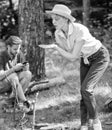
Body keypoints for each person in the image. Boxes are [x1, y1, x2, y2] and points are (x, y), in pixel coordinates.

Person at [39, 4, 110, 130]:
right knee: (83, 92)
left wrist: (56, 48)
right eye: (53, 19)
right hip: (85, 59)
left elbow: (72, 56)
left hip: (99, 57)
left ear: (66, 19)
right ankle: (84, 124)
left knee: (86, 89)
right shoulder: (58, 34)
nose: (54, 22)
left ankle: (96, 122)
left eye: (57, 19)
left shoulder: (79, 30)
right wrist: (58, 46)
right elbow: (69, 51)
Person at [0, 36, 32, 112]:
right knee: (12, 75)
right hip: (2, 84)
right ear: (8, 47)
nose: (17, 51)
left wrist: (25, 68)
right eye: (15, 49)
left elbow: (23, 73)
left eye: (18, 48)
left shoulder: (18, 54)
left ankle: (10, 102)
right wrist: (14, 69)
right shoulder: (1, 56)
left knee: (27, 74)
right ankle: (24, 101)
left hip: (14, 83)